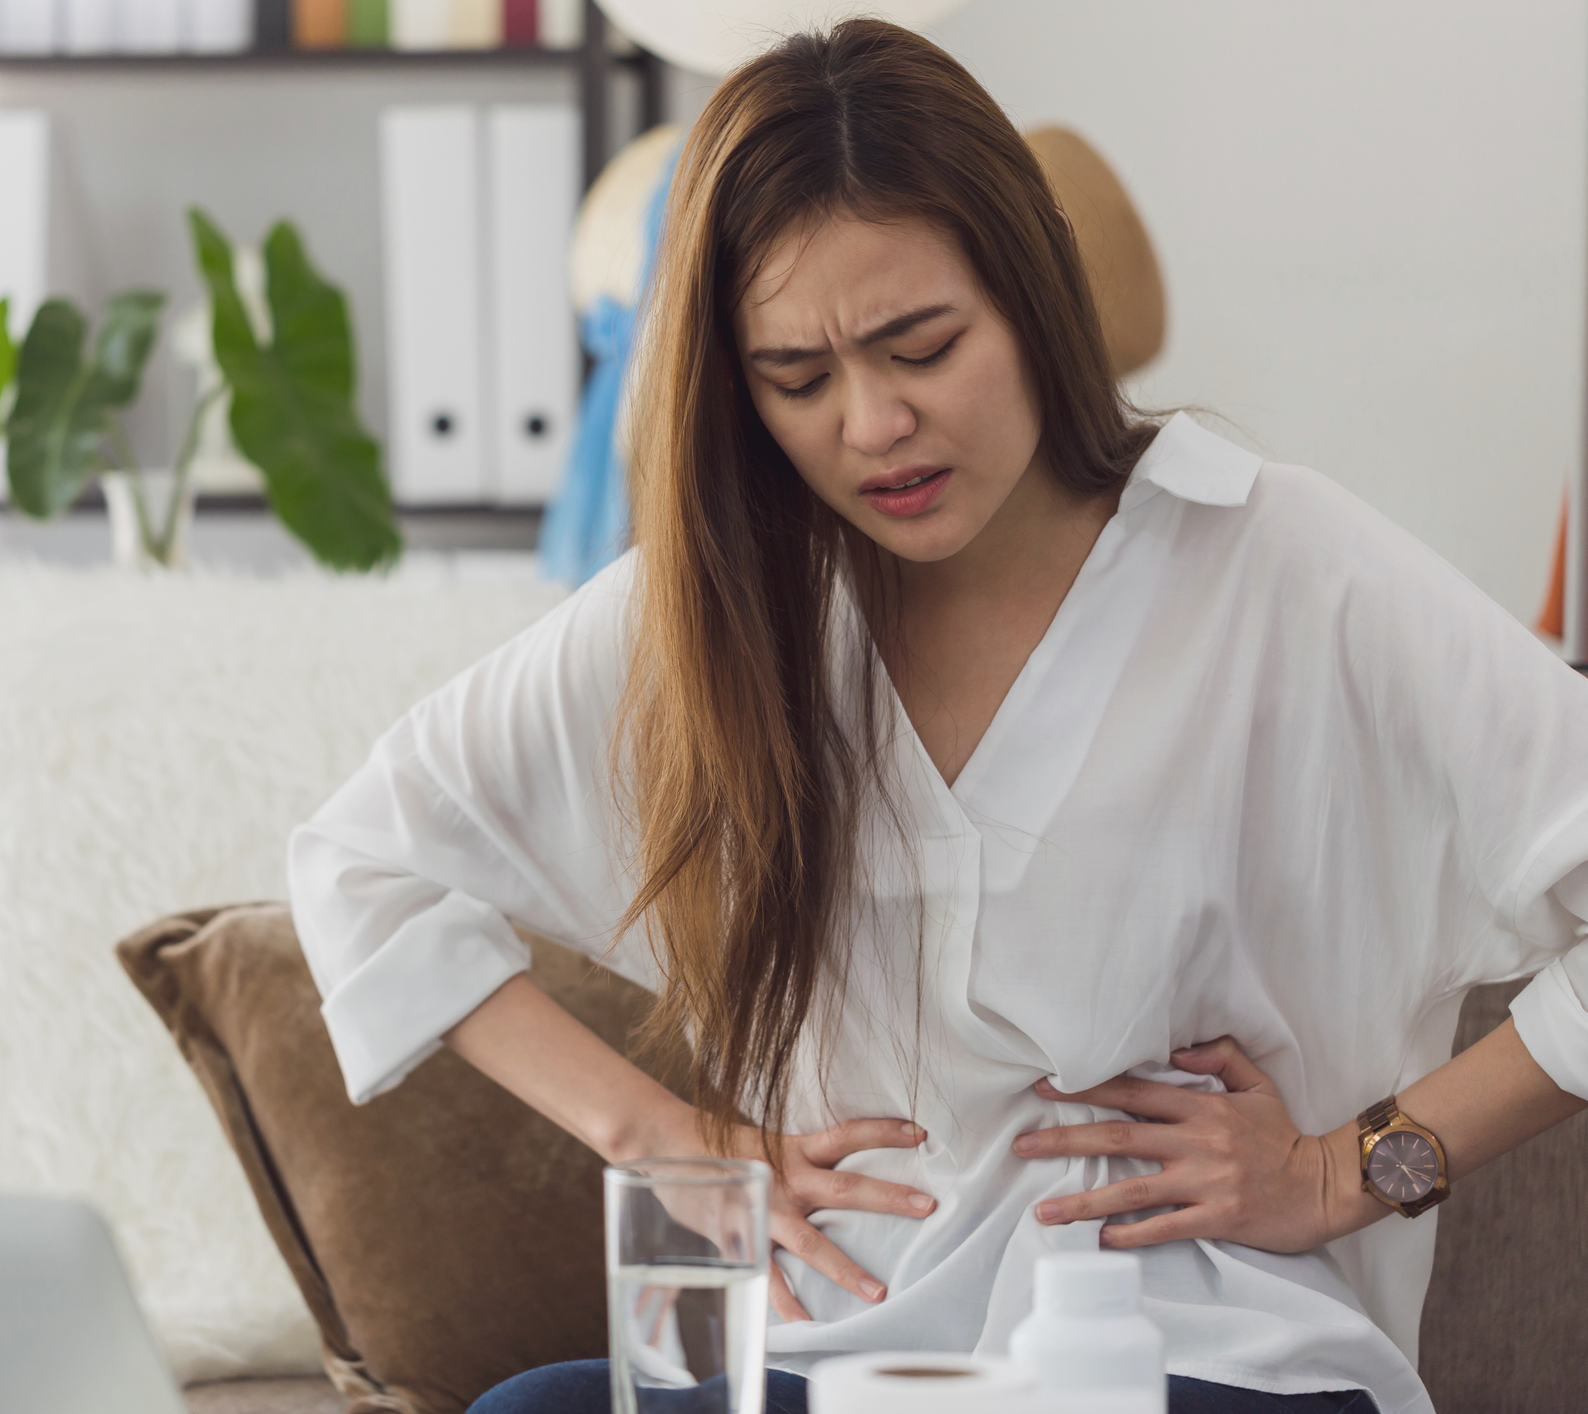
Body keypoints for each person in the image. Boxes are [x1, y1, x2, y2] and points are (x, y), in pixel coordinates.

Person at [288, 20, 1588, 1414]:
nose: (871, 424)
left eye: (921, 345)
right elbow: (366, 859)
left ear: (1029, 295)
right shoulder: (717, 608)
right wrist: (664, 1135)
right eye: (797, 378)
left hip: (1185, 1345)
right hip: (845, 1333)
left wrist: (1355, 1166)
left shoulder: (1277, 564)